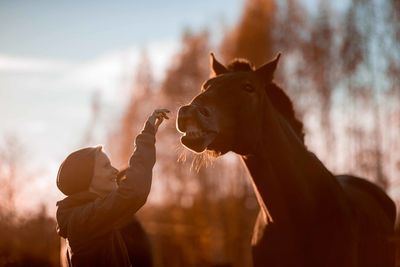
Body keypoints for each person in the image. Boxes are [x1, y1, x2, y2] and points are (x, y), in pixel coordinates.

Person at [56, 108, 170, 267]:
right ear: (86, 178)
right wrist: (147, 135)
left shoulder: (87, 218)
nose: (115, 171)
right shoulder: (83, 220)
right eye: (106, 166)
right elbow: (133, 191)